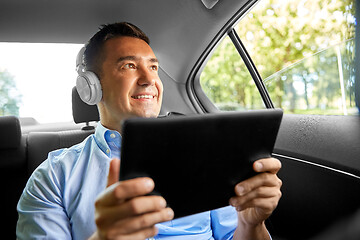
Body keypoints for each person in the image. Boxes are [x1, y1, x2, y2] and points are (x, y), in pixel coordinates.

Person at [16, 22, 282, 240]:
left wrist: (251, 224)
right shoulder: (52, 177)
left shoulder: (206, 157)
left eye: (153, 67)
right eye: (129, 66)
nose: (149, 80)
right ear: (91, 87)